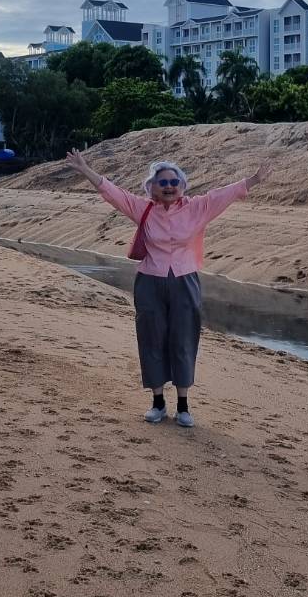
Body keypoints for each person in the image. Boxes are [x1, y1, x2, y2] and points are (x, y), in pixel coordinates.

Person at [64, 150, 272, 427]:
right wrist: (86, 170)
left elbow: (223, 194)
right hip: (149, 281)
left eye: (174, 181)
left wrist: (254, 180)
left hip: (185, 281)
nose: (169, 186)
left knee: (184, 339)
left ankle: (183, 406)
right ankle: (158, 402)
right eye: (162, 182)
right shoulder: (143, 208)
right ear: (152, 187)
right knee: (151, 338)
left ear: (183, 185)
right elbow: (113, 193)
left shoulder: (198, 207)